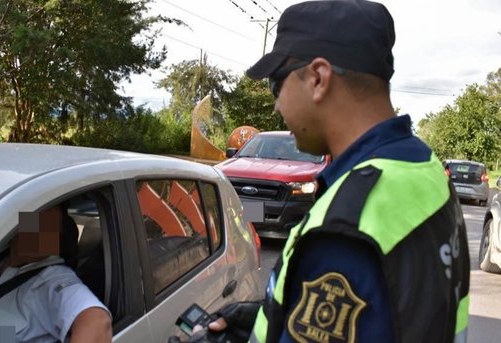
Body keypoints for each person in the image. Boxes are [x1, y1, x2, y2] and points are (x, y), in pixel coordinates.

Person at [177, 1, 470, 342]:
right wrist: (272, 317)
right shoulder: (424, 168)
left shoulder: (346, 228)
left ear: (318, 78)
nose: (276, 105)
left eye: (276, 85)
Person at [0, 205, 112, 343]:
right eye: (35, 222)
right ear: (17, 224)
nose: (39, 233)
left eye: (49, 227)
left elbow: (97, 322)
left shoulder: (52, 280)